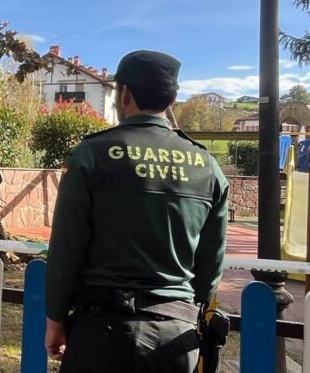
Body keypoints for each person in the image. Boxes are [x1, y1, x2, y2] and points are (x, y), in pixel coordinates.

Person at [44, 50, 229, 372]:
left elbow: (66, 247)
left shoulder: (92, 155)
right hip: (176, 335)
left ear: (124, 93)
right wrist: (189, 308)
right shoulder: (207, 166)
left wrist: (56, 319)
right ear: (172, 98)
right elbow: (212, 259)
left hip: (102, 332)